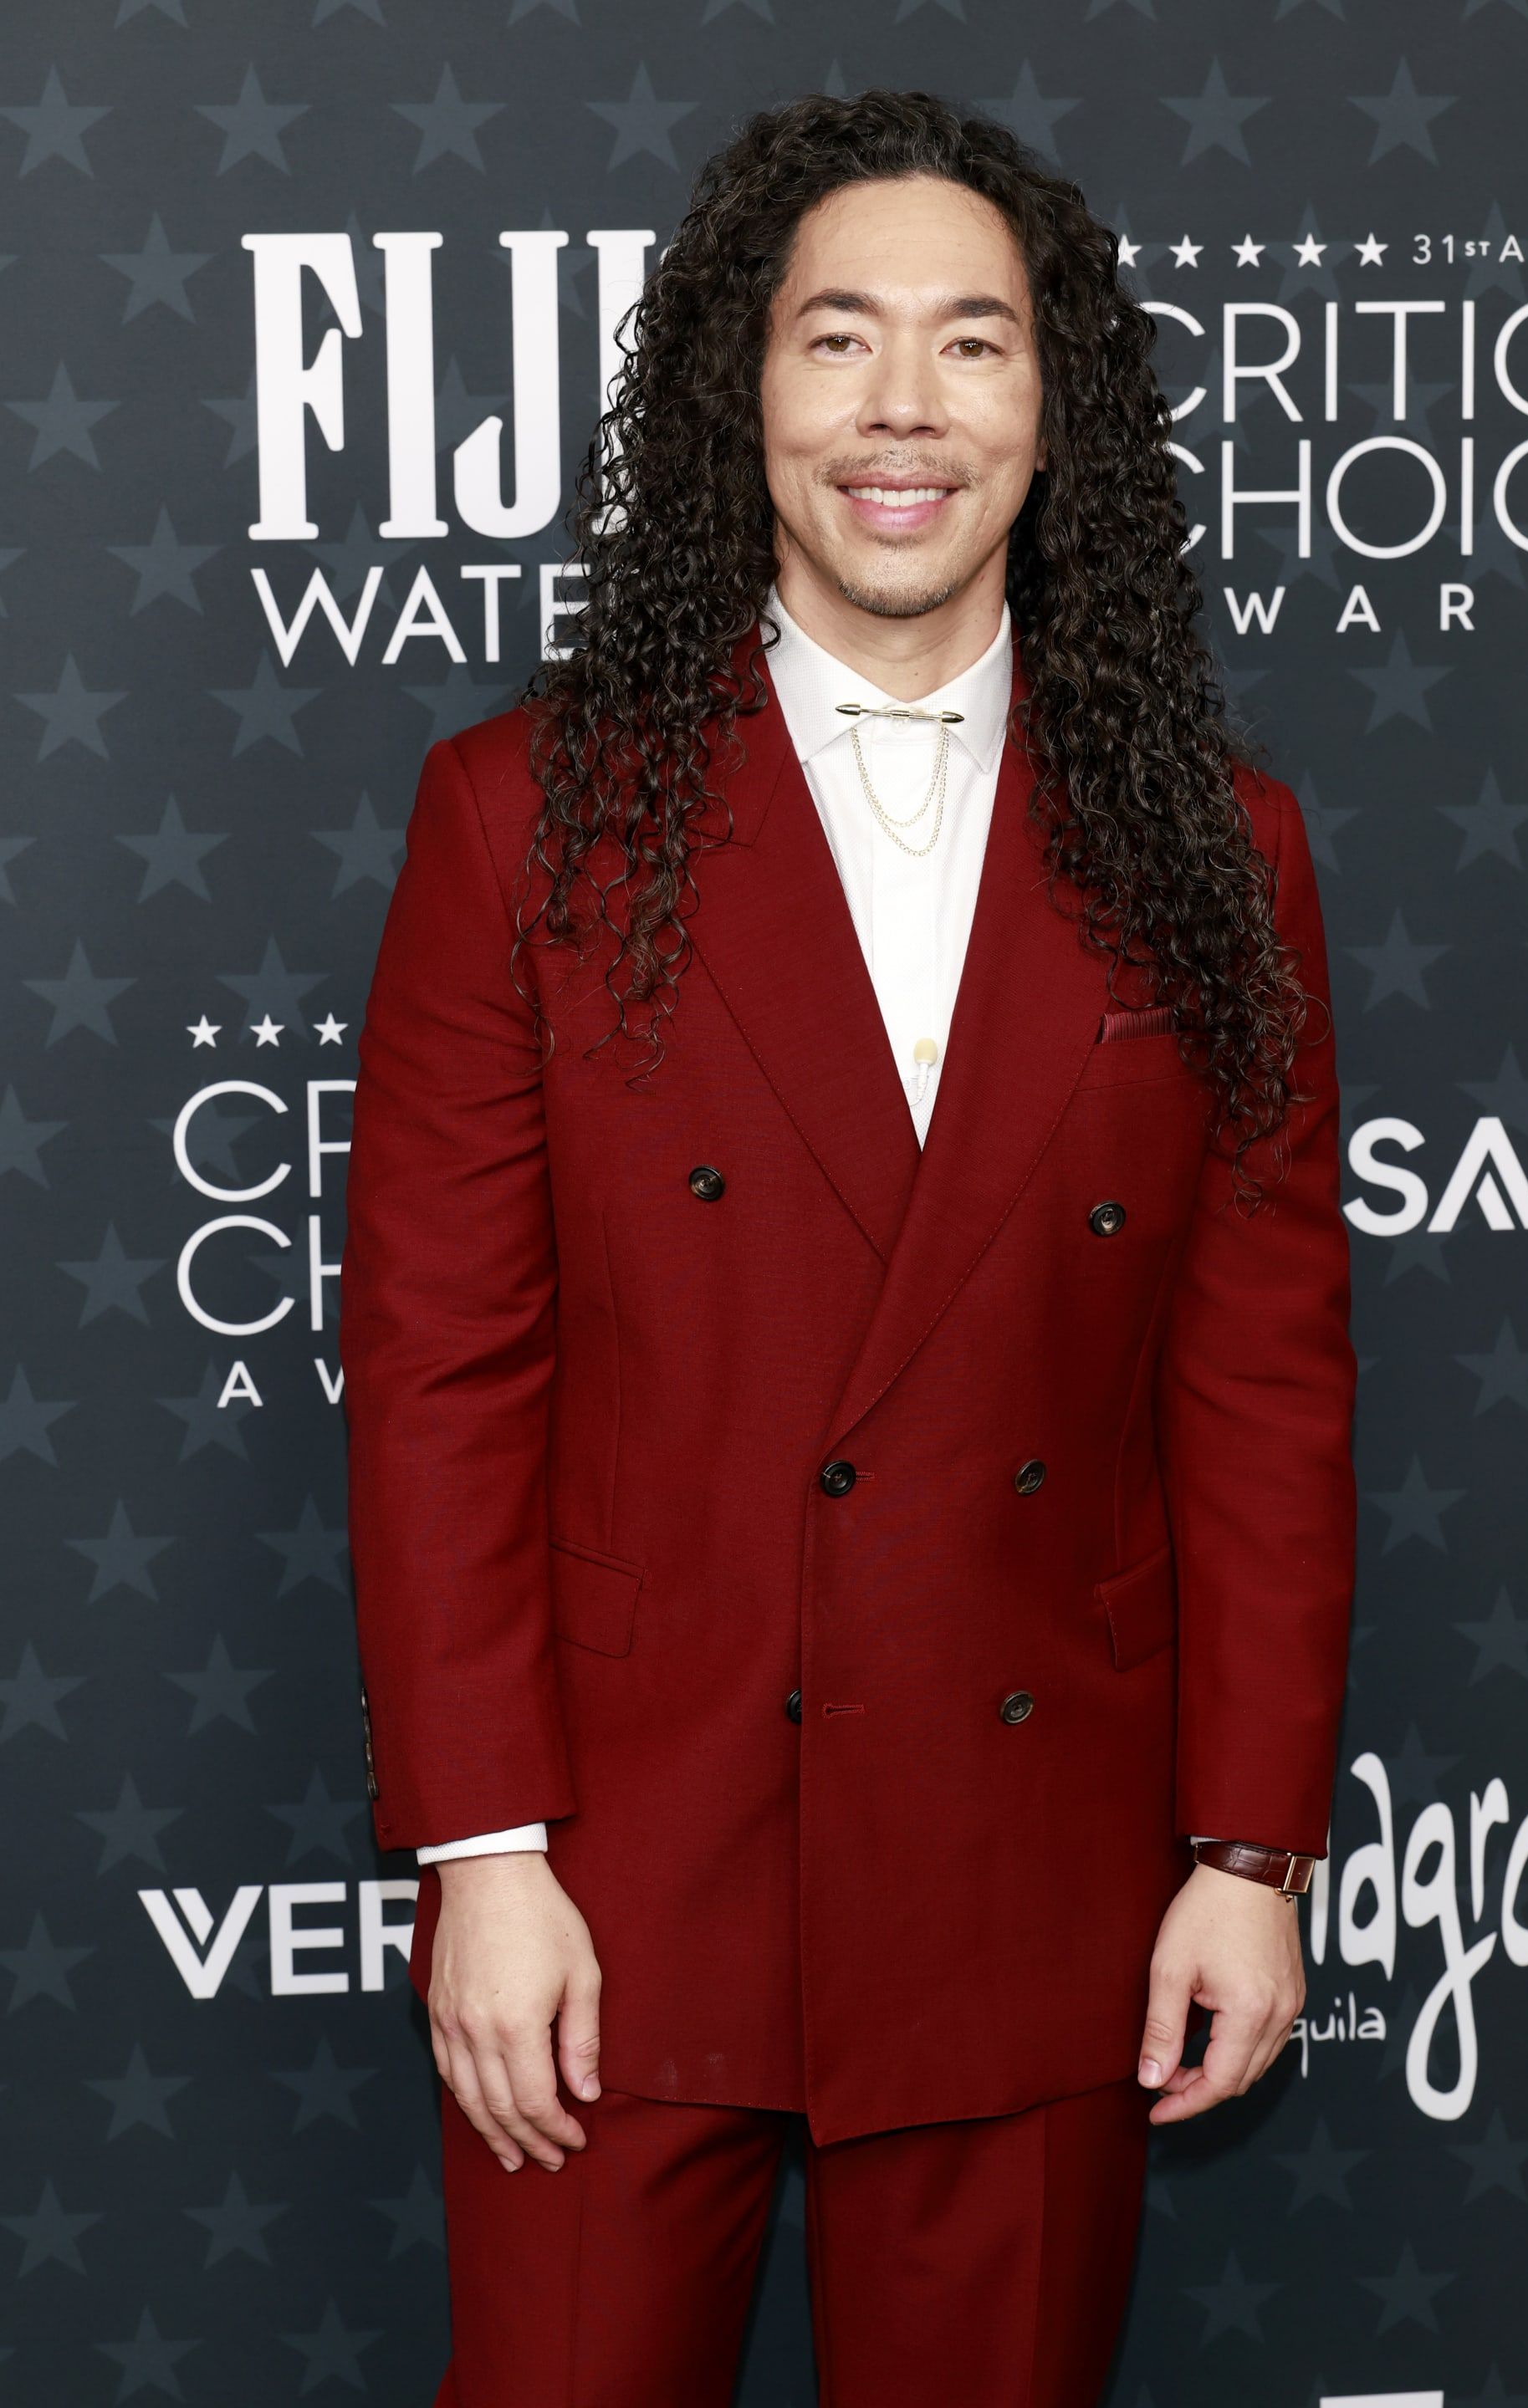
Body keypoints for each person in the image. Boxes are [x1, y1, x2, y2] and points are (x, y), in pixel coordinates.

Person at [340, 87, 1357, 2408]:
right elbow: (441, 1369)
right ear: (747, 395)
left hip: (1038, 1856)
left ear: (1054, 414)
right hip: (612, 1868)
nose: (905, 408)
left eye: (974, 343)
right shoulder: (523, 817)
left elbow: (1264, 1385)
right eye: (839, 339)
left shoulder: (1221, 850)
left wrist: (1249, 1852)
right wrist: (481, 1848)